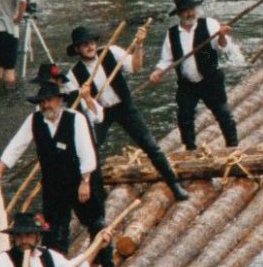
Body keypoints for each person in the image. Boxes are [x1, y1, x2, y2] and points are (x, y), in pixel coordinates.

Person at [0, 74, 108, 267]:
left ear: (59, 101)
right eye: (42, 102)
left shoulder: (76, 119)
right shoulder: (34, 121)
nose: (46, 106)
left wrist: (85, 181)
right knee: (54, 231)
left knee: (95, 222)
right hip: (53, 185)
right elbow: (17, 144)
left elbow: (87, 152)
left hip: (80, 181)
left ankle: (107, 266)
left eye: (49, 101)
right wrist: (0, 168)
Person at [63, 24, 186, 201]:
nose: (90, 47)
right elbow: (79, 110)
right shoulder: (73, 76)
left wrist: (139, 46)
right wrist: (87, 98)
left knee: (150, 145)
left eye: (91, 42)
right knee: (90, 150)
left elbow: (136, 66)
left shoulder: (111, 52)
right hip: (98, 113)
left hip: (124, 106)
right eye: (84, 45)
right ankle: (98, 194)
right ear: (77, 49)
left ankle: (174, 184)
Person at [149, 0, 242, 152]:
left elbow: (223, 47)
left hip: (210, 79)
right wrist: (157, 72)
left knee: (223, 113)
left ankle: (232, 146)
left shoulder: (209, 24)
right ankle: (190, 148)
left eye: (191, 9)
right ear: (179, 14)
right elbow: (166, 60)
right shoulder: (172, 34)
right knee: (184, 116)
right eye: (185, 11)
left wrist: (221, 36)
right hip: (187, 83)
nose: (190, 13)